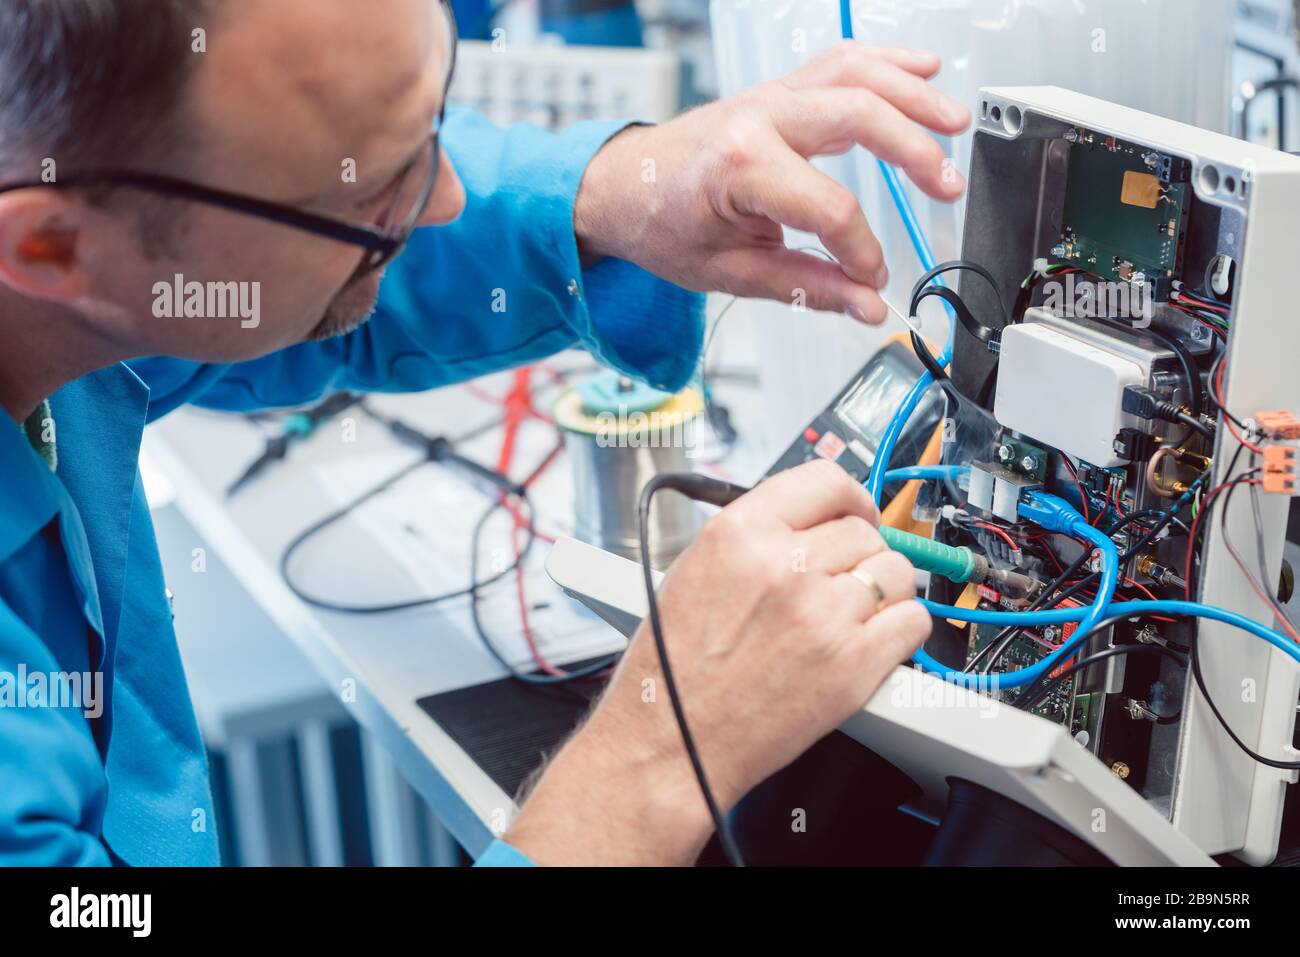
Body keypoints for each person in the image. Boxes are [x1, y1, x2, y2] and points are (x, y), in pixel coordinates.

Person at [0, 0, 968, 866]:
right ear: (53, 248)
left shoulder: (70, 284)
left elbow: (259, 286)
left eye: (433, 123)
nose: (446, 199)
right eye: (371, 194)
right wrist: (661, 751)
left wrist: (614, 191)